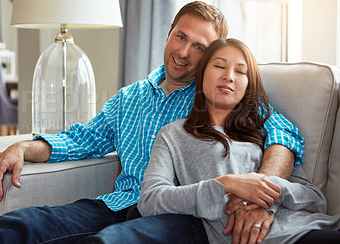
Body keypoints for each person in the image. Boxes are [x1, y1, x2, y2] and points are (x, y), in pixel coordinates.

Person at [0, 1, 304, 244]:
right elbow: (81, 139)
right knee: (29, 222)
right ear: (168, 34)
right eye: (180, 37)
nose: (183, 52)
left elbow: (282, 132)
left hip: (184, 212)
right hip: (117, 202)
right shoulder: (130, 97)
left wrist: (262, 195)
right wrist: (23, 147)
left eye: (198, 47)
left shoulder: (216, 95)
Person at [138, 38, 340, 243]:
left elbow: (315, 199)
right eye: (219, 66)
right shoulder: (173, 134)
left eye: (240, 72)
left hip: (306, 229)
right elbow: (150, 200)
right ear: (201, 74)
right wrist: (227, 184)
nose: (229, 77)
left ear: (248, 85)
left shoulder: (265, 134)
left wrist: (264, 196)